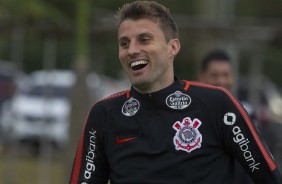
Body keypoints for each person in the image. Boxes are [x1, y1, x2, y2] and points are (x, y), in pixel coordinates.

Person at [69, 1, 282, 183]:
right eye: (124, 43)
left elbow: (269, 177)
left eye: (144, 39)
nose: (132, 50)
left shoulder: (218, 104)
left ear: (173, 48)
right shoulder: (104, 115)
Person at [198, 49, 254, 184]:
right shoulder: (191, 117)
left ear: (232, 77)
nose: (221, 81)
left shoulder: (245, 114)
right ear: (201, 77)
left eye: (225, 75)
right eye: (215, 75)